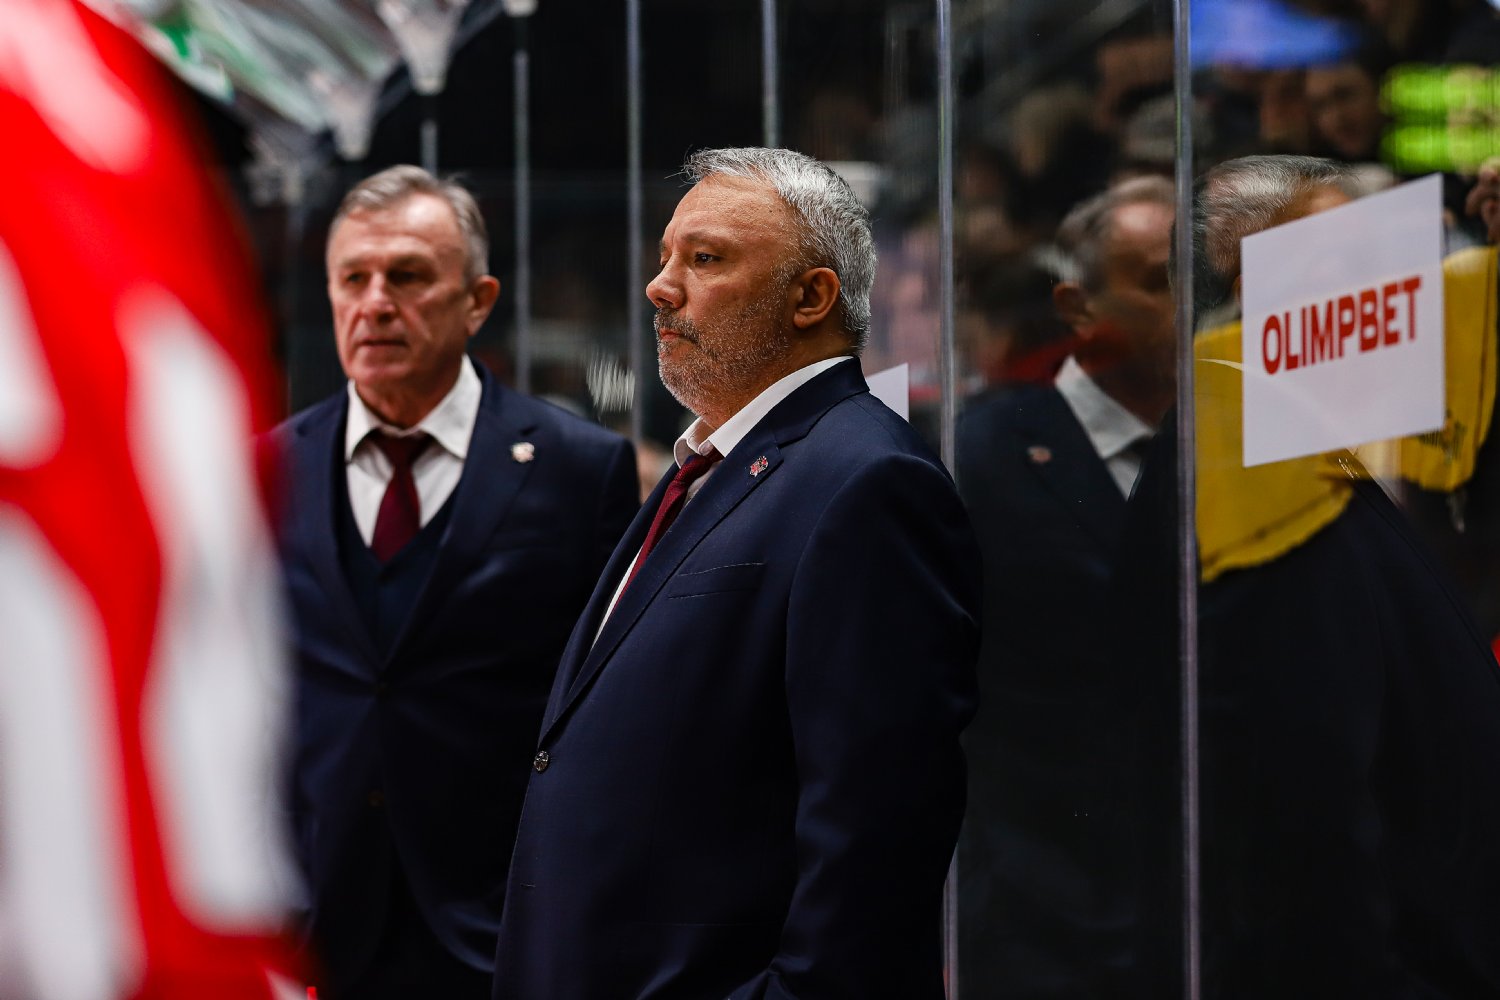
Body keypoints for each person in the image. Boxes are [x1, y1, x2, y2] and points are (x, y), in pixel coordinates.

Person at [491, 147, 981, 999]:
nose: (660, 287)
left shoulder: (867, 480)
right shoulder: (714, 464)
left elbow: (877, 832)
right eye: (665, 258)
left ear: (810, 298)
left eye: (706, 258)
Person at [1121, 154, 1500, 997]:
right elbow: (1298, 826)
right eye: (1363, 260)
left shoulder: (1286, 445)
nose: (1403, 288)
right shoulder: (1244, 467)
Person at [265, 165, 639, 999]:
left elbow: (609, 715)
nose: (374, 303)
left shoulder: (579, 470)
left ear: (477, 300)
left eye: (407, 276)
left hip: (502, 931)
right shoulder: (268, 468)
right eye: (353, 279)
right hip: (314, 934)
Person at [954, 175, 1175, 998]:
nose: (1194, 307)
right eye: (1160, 281)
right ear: (1079, 310)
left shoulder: (1244, 444)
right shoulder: (982, 452)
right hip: (1037, 910)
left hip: (1203, 899)